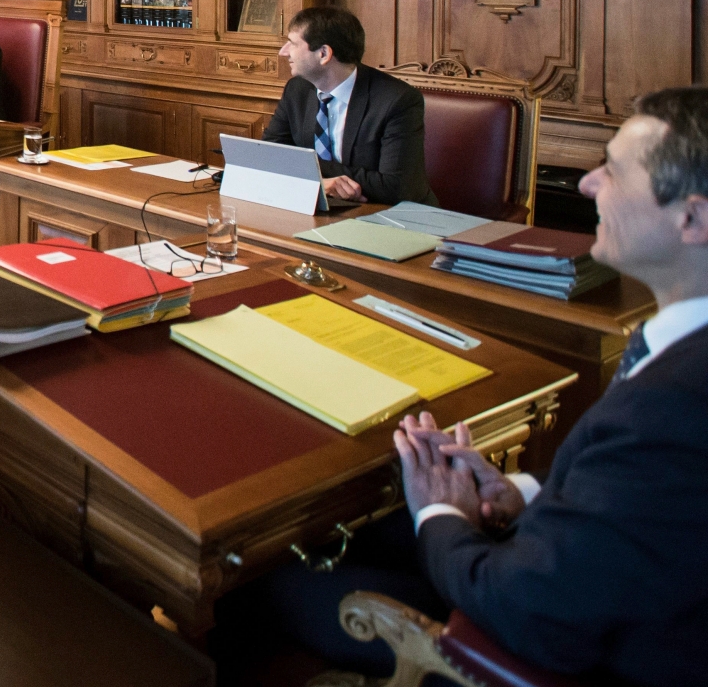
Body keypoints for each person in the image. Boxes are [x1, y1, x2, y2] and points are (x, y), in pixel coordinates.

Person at [217, 86, 708, 686]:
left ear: (692, 217)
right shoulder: (677, 349)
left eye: (614, 170)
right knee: (354, 526)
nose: (586, 184)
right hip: (570, 558)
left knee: (253, 583)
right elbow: (635, 492)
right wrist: (519, 490)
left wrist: (442, 511)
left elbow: (527, 609)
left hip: (543, 638)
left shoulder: (675, 409)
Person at [261, 4, 434, 205]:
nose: (283, 52)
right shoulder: (297, 90)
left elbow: (397, 186)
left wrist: (313, 172)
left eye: (292, 43)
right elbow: (270, 154)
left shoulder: (397, 101)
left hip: (390, 216)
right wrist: (321, 183)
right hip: (325, 207)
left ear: (324, 54)